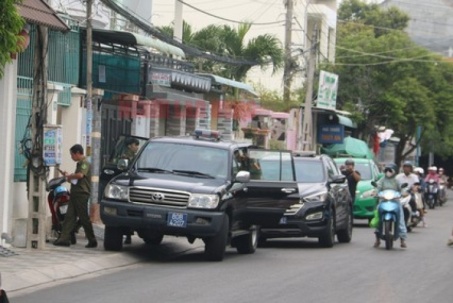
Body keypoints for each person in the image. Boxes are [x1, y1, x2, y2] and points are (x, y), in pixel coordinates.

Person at [54, 144, 98, 248]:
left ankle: (92, 240)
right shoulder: (80, 163)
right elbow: (76, 178)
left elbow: (80, 175)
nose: (71, 157)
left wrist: (69, 176)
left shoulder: (85, 163)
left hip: (81, 194)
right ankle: (64, 239)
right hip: (75, 193)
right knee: (69, 216)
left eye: (72, 155)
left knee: (83, 218)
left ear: (78, 153)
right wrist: (68, 176)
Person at [373, 163, 407, 248]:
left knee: (401, 219)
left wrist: (403, 192)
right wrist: (375, 192)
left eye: (390, 170)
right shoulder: (382, 180)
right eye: (387, 170)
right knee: (377, 217)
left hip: (395, 201)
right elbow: (378, 186)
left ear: (394, 171)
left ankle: (402, 240)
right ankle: (377, 239)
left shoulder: (397, 180)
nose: (388, 172)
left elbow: (402, 188)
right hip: (383, 201)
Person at [121, 138, 140, 245]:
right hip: (128, 183)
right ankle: (127, 235)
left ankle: (128, 235)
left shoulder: (137, 155)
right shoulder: (126, 156)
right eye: (135, 144)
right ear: (129, 146)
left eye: (137, 145)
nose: (137, 146)